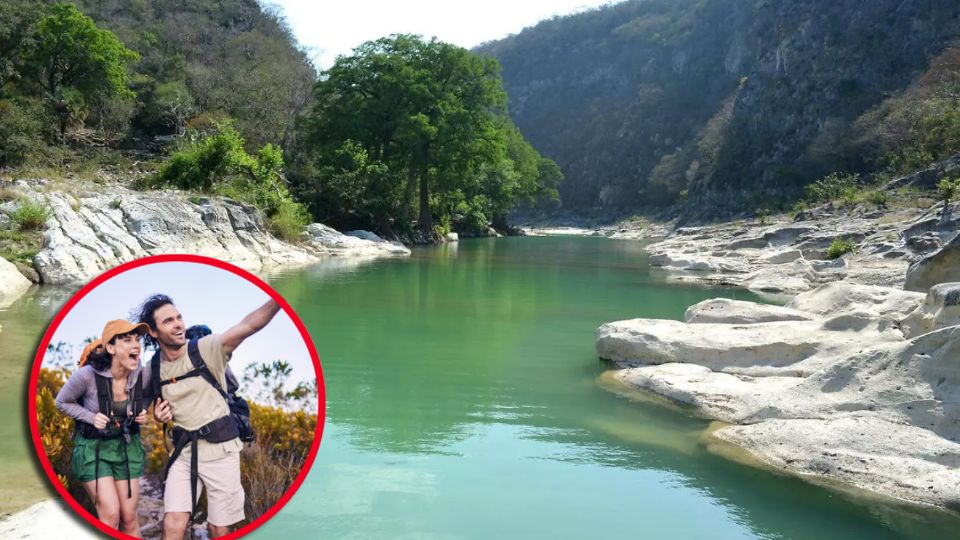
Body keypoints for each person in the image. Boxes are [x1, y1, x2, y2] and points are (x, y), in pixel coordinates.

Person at [135, 294, 280, 539]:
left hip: (221, 453)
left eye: (179, 318)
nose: (179, 324)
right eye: (169, 321)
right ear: (153, 332)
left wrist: (279, 299)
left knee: (219, 529)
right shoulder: (154, 368)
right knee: (173, 522)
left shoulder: (206, 348)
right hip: (183, 454)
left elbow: (248, 325)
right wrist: (156, 415)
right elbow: (140, 407)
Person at [54, 320, 151, 537]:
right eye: (127, 340)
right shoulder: (86, 376)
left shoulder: (142, 374)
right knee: (110, 515)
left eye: (137, 339)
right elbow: (61, 402)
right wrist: (90, 417)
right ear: (111, 348)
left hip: (126, 448)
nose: (135, 345)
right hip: (93, 449)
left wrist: (142, 411)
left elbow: (151, 394)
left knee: (129, 516)